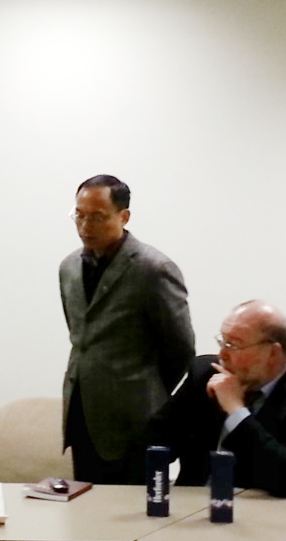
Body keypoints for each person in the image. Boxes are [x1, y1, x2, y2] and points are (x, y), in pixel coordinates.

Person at [60, 174, 195, 484]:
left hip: (135, 420)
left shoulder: (153, 269)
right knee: (86, 504)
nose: (85, 226)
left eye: (97, 217)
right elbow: (81, 335)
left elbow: (181, 348)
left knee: (131, 509)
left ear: (124, 216)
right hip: (82, 411)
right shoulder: (68, 267)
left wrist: (143, 387)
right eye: (79, 215)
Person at [146, 300, 286, 504]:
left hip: (272, 512)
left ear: (272, 353)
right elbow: (154, 442)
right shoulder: (205, 373)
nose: (222, 355)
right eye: (222, 342)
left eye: (234, 345)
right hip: (194, 506)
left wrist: (236, 411)